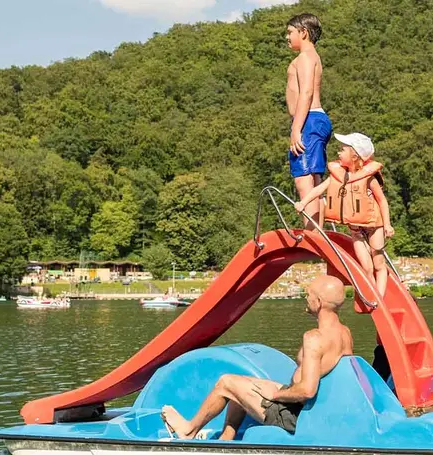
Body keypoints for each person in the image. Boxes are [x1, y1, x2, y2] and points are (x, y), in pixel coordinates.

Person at [160, 275, 353, 440]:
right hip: (312, 407)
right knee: (241, 383)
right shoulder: (344, 333)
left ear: (318, 302)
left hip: (296, 415)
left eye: (308, 294)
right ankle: (226, 440)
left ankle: (189, 430)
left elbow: (307, 390)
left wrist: (275, 395)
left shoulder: (314, 338)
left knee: (226, 382)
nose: (306, 298)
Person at [294, 133, 393, 296]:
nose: (338, 152)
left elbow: (382, 201)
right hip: (356, 229)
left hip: (375, 225)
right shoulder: (338, 175)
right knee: (366, 266)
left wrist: (387, 225)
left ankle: (380, 297)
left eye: (342, 149)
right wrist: (303, 203)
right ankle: (373, 294)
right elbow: (319, 190)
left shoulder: (369, 179)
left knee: (378, 262)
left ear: (355, 156)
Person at [283, 13, 330, 225]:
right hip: (315, 119)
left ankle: (313, 235)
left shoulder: (304, 57)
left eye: (290, 32)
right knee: (313, 179)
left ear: (304, 32)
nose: (287, 37)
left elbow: (307, 92)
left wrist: (296, 128)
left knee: (304, 180)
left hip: (308, 120)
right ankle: (317, 233)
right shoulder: (313, 57)